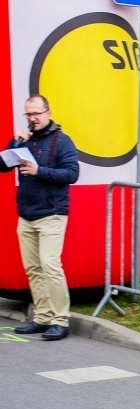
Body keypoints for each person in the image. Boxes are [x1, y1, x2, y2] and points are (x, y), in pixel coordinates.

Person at [0, 95, 79, 341]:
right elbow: (3, 165)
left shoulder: (62, 141)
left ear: (48, 112)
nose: (33, 118)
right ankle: (42, 317)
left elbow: (71, 173)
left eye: (37, 113)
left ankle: (60, 320)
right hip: (27, 213)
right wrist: (14, 143)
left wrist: (39, 170)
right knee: (33, 268)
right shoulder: (25, 140)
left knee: (50, 265)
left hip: (52, 213)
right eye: (28, 114)